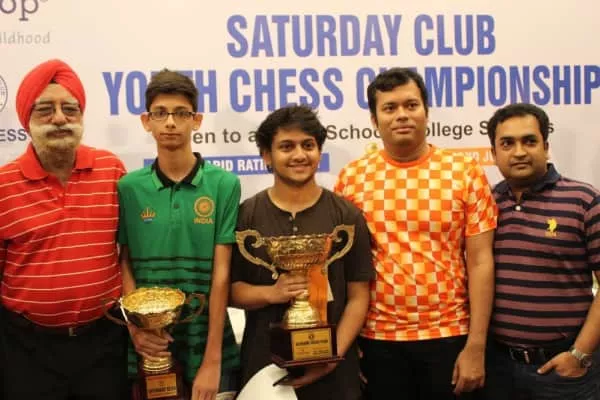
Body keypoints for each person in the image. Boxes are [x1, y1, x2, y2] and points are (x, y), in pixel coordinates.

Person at [334, 67, 498, 399]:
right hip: (377, 340)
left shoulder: (464, 172)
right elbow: (341, 265)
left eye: (411, 105)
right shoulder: (352, 178)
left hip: (450, 335)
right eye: (389, 108)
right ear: (374, 120)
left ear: (426, 111)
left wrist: (477, 344)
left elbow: (481, 261)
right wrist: (346, 342)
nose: (402, 115)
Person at [0, 59, 127, 399]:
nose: (59, 118)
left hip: (104, 344)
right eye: (45, 110)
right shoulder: (3, 185)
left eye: (69, 109)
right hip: (26, 351)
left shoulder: (111, 170)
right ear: (27, 120)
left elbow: (128, 252)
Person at [230, 105, 373, 400]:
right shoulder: (246, 216)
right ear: (266, 155)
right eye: (286, 147)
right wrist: (272, 293)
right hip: (264, 371)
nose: (299, 155)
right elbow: (230, 292)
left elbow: (359, 296)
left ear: (319, 152)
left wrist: (332, 357)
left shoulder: (346, 216)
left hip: (335, 374)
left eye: (308, 145)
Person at [117, 69, 241, 399]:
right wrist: (136, 329)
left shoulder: (224, 184)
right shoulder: (128, 187)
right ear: (146, 121)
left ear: (196, 120)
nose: (170, 122)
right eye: (160, 113)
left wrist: (212, 360)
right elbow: (124, 263)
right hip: (148, 342)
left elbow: (221, 275)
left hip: (207, 338)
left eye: (181, 113)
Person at [480, 103, 600, 400]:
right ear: (493, 153)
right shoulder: (486, 204)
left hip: (563, 370)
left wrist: (579, 354)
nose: (519, 152)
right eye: (507, 143)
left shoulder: (584, 200)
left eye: (529, 141)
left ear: (546, 147)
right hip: (497, 368)